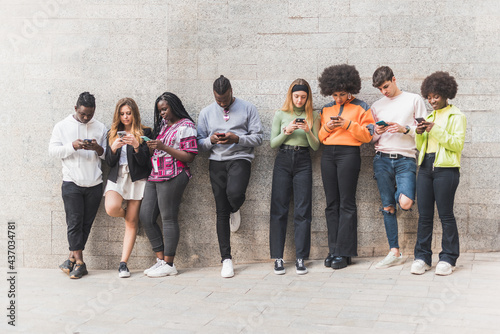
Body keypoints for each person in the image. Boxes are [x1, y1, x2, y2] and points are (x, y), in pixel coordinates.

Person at [197, 75, 263, 278]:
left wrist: (238, 138)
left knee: (234, 195)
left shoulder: (248, 108)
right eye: (218, 101)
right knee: (220, 211)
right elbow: (198, 144)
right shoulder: (206, 113)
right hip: (216, 162)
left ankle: (236, 208)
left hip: (240, 158)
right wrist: (211, 140)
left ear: (231, 91)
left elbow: (259, 137)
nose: (222, 104)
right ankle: (226, 259)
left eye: (225, 100)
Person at [370, 66, 428, 269]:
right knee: (387, 207)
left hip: (406, 159)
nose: (384, 91)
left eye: (386, 86)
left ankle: (397, 195)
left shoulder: (414, 100)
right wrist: (376, 130)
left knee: (405, 202)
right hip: (382, 158)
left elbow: (423, 130)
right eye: (380, 89)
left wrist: (405, 129)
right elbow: (373, 138)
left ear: (394, 79)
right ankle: (394, 251)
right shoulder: (376, 106)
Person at [317, 64, 374, 270]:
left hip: (349, 154)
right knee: (331, 203)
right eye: (334, 94)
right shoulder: (325, 109)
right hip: (328, 155)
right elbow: (320, 138)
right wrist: (327, 127)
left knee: (347, 203)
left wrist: (347, 125)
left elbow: (368, 135)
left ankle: (344, 252)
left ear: (350, 88)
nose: (338, 98)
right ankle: (334, 250)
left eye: (342, 94)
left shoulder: (361, 107)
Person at [411, 72, 466, 276]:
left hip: (446, 169)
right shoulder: (430, 116)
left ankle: (448, 258)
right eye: (429, 96)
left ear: (446, 94)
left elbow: (456, 144)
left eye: (436, 96)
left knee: (445, 215)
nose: (432, 100)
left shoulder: (457, 116)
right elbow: (422, 146)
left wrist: (434, 130)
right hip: (425, 167)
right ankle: (422, 257)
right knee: (424, 216)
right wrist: (419, 134)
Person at [49, 92, 107, 279]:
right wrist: (73, 146)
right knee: (74, 222)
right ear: (75, 109)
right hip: (71, 182)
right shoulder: (62, 126)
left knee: (86, 224)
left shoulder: (100, 127)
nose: (86, 117)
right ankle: (80, 263)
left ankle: (70, 259)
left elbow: (107, 155)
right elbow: (53, 151)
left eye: (89, 114)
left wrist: (97, 148)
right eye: (83, 114)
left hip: (94, 183)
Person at [140, 92, 198, 278]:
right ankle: (161, 260)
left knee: (168, 218)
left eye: (165, 109)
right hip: (156, 174)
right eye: (160, 111)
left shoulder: (186, 126)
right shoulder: (163, 125)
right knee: (146, 216)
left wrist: (163, 147)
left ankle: (170, 263)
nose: (162, 113)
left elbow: (190, 156)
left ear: (174, 105)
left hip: (175, 174)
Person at [269, 79, 320, 275]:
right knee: (279, 209)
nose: (299, 100)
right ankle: (278, 258)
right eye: (296, 96)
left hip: (303, 160)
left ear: (308, 98)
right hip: (283, 159)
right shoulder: (281, 114)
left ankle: (300, 258)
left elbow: (315, 146)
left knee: (303, 209)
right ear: (291, 96)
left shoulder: (313, 115)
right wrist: (286, 132)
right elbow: (273, 144)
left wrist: (307, 131)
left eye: (303, 97)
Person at [104, 98, 152, 278]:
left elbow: (146, 164)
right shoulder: (112, 133)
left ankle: (123, 264)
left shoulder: (145, 132)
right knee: (111, 208)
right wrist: (114, 149)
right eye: (122, 114)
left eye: (128, 113)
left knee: (131, 223)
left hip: (137, 179)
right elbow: (109, 162)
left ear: (134, 113)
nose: (125, 117)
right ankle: (130, 218)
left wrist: (137, 146)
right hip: (117, 177)